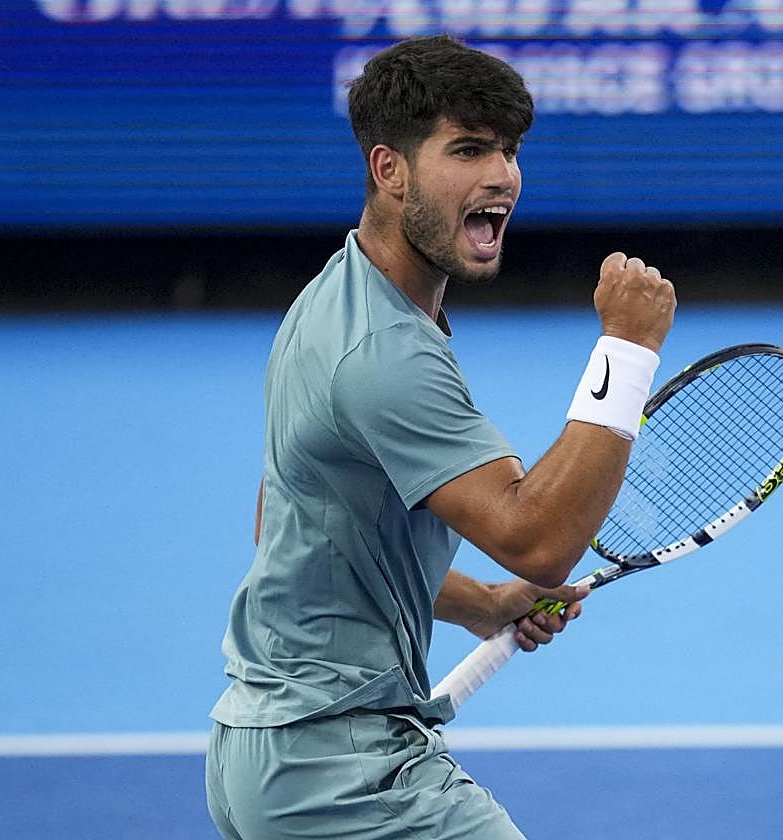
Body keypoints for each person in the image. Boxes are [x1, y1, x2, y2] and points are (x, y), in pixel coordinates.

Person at [205, 34, 676, 840]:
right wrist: (626, 353)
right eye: (467, 149)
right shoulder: (385, 354)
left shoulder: (339, 297)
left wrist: (481, 604)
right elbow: (538, 539)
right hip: (340, 774)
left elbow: (289, 527)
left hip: (269, 758)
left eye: (508, 149)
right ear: (390, 171)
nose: (500, 175)